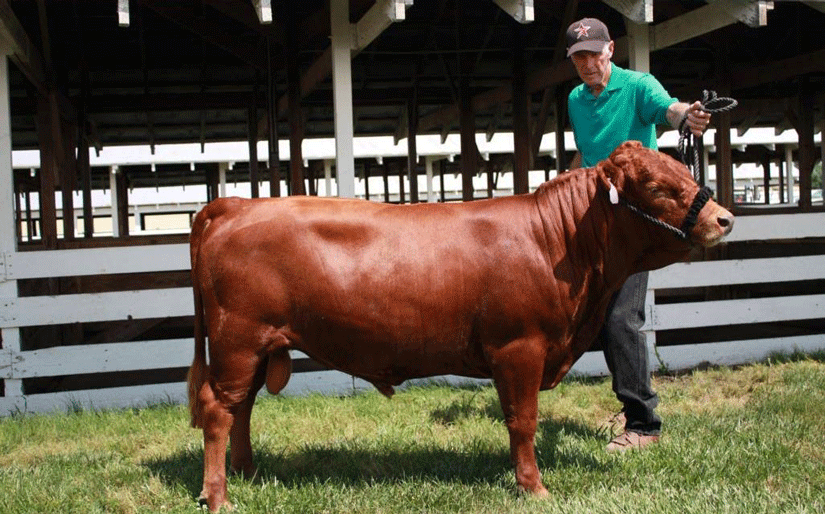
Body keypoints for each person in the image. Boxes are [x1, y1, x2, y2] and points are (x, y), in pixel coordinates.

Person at [564, 17, 711, 452]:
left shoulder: (637, 86)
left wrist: (687, 115)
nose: (588, 63)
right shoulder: (575, 98)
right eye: (578, 57)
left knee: (621, 318)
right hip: (594, 214)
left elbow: (667, 109)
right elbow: (589, 154)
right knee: (587, 312)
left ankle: (643, 424)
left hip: (633, 222)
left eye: (593, 52)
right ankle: (631, 406)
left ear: (611, 48)